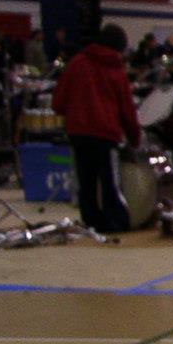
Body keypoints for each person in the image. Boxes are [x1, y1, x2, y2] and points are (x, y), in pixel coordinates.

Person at [52, 24, 143, 234]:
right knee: (110, 181)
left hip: (78, 131)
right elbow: (127, 109)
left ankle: (92, 221)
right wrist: (134, 138)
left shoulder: (77, 63)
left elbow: (58, 102)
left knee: (86, 181)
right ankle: (116, 222)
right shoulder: (116, 69)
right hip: (105, 132)